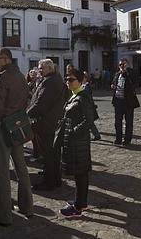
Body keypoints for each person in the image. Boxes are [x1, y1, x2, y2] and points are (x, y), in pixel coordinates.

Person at [0, 48, 33, 226]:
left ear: (5, 60)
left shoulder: (2, 77)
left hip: (3, 127)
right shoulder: (20, 75)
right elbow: (27, 98)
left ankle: (4, 215)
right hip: (17, 125)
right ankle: (27, 207)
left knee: (2, 172)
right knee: (21, 167)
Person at [59, 68, 94, 217]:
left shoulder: (82, 97)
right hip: (76, 141)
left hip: (78, 142)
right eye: (67, 79)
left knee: (81, 174)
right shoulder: (74, 95)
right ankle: (81, 203)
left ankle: (78, 206)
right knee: (80, 174)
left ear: (80, 81)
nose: (68, 82)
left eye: (71, 79)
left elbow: (90, 120)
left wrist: (74, 132)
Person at [27, 59, 66, 191]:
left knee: (48, 153)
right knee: (52, 153)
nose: (39, 70)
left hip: (46, 122)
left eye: (41, 68)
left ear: (49, 68)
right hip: (51, 121)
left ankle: (49, 181)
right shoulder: (54, 80)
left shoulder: (49, 82)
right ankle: (55, 178)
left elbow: (41, 103)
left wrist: (27, 113)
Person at [111, 58, 140, 146]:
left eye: (124, 64)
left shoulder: (131, 73)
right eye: (120, 65)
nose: (122, 66)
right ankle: (118, 139)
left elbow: (136, 83)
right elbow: (113, 83)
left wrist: (126, 74)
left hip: (128, 101)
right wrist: (113, 85)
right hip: (118, 100)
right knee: (117, 122)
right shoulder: (117, 74)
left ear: (127, 64)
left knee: (129, 121)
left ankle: (127, 140)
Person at [81, 72, 101, 141]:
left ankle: (97, 135)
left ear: (85, 78)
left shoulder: (86, 86)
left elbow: (88, 97)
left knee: (90, 122)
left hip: (88, 107)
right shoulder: (83, 86)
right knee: (87, 122)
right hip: (85, 106)